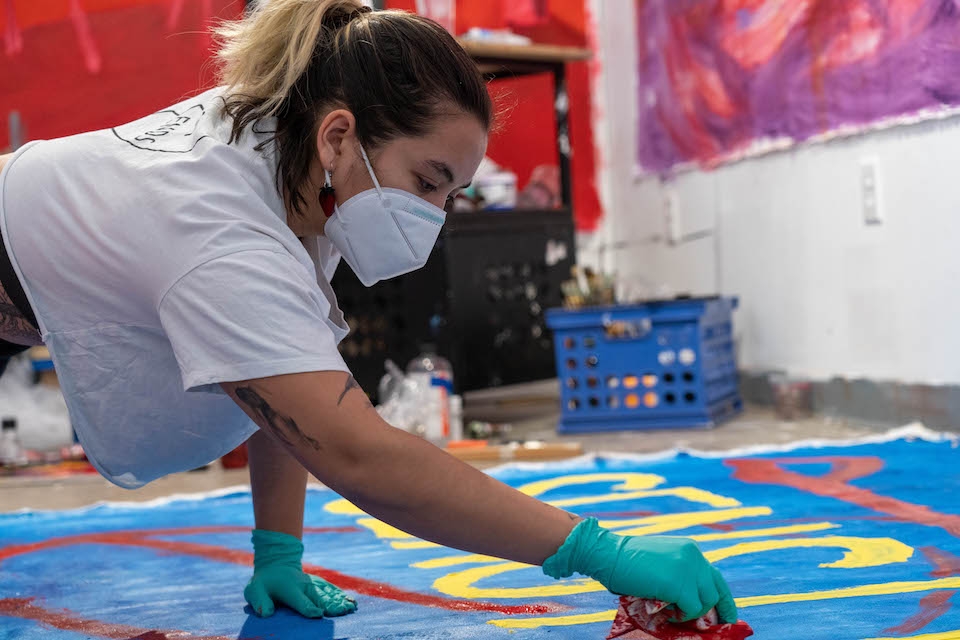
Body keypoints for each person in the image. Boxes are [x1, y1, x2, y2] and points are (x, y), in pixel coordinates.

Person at [0, 0, 737, 625]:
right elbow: (355, 451)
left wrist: (278, 553)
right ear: (340, 136)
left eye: (452, 196)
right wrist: (592, 550)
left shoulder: (285, 151)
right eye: (428, 182)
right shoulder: (223, 230)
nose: (437, 215)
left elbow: (284, 380)